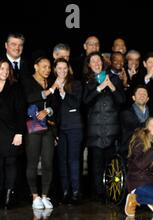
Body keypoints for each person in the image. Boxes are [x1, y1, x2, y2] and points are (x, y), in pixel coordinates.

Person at [83, 52, 126, 200]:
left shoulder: (114, 78)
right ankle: (99, 194)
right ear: (89, 65)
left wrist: (112, 87)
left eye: (98, 61)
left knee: (111, 163)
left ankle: (111, 193)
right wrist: (99, 88)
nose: (96, 63)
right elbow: (85, 102)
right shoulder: (87, 81)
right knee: (96, 165)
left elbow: (122, 101)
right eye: (93, 61)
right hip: (94, 131)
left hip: (111, 130)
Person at [22, 57, 58, 209]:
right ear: (36, 67)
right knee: (32, 162)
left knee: (48, 163)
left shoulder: (50, 82)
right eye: (44, 67)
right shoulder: (27, 81)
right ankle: (35, 196)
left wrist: (48, 110)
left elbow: (54, 104)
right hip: (33, 128)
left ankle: (44, 196)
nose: (47, 70)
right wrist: (49, 91)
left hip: (48, 128)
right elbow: (29, 98)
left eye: (49, 67)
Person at [52, 58, 83, 205]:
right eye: (59, 68)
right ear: (55, 70)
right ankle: (65, 192)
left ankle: (76, 192)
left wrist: (63, 91)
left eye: (65, 68)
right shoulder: (52, 85)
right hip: (60, 129)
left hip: (74, 127)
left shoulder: (75, 84)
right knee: (62, 161)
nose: (62, 71)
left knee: (73, 160)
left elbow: (76, 103)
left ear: (68, 69)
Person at [0, 59, 25, 209]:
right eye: (1, 68)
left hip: (10, 131)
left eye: (6, 69)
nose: (4, 71)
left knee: (10, 163)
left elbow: (21, 113)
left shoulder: (15, 87)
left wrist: (19, 133)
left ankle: (9, 196)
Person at [119, 85, 150, 157]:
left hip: (148, 149)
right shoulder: (126, 113)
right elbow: (137, 127)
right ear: (133, 98)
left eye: (144, 94)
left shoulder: (151, 113)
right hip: (129, 151)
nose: (142, 95)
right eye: (139, 93)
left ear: (147, 99)